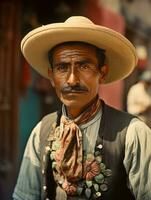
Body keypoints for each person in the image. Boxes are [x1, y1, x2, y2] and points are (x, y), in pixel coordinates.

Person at [13, 16, 151, 200]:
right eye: (62, 67)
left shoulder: (134, 134)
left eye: (84, 66)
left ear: (102, 73)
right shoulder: (41, 132)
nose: (72, 80)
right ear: (51, 76)